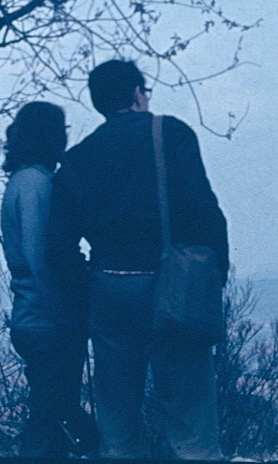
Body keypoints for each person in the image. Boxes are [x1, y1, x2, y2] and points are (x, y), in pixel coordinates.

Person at [47, 60, 229, 460]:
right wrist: (215, 273)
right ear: (136, 93)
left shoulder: (78, 157)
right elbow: (204, 209)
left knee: (116, 420)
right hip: (171, 285)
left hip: (109, 287)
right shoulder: (170, 133)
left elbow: (58, 245)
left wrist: (88, 284)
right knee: (190, 417)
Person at [1, 101, 87, 457]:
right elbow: (40, 258)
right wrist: (64, 314)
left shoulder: (20, 180)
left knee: (51, 416)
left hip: (30, 316)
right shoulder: (37, 183)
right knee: (49, 419)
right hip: (46, 319)